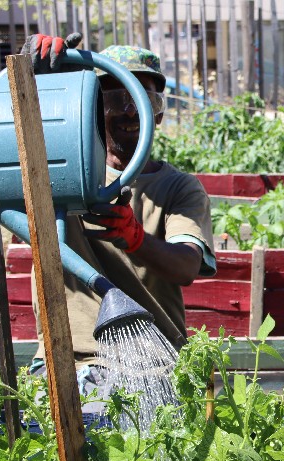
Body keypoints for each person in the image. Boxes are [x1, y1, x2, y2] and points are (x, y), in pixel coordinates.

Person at [20, 35, 217, 384]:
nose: (129, 110)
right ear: (92, 105)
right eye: (115, 97)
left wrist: (136, 237)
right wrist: (30, 78)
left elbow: (186, 265)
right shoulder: (54, 174)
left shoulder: (179, 187)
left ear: (159, 111)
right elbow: (10, 146)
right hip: (69, 359)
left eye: (143, 98)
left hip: (153, 361)